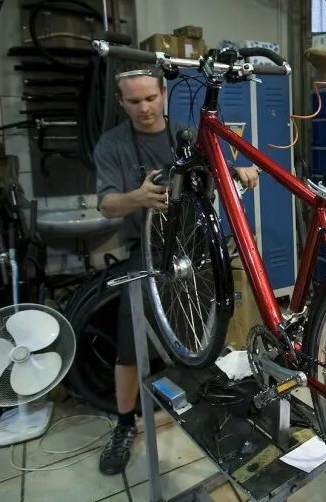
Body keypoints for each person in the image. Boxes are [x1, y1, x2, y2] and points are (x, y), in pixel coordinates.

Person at [94, 68, 258, 475]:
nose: (144, 108)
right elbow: (106, 204)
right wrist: (136, 197)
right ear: (121, 101)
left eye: (150, 98)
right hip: (147, 252)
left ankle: (214, 402)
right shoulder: (113, 144)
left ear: (163, 93)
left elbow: (212, 179)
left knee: (208, 329)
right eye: (134, 101)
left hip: (195, 247)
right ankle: (123, 425)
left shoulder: (186, 134)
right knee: (130, 344)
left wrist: (239, 173)